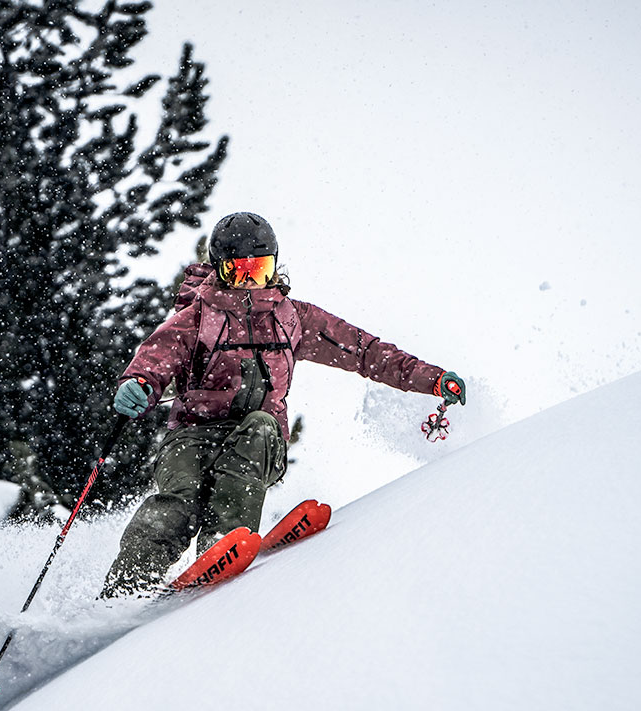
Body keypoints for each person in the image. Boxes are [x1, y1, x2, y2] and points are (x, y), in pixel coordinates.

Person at [99, 211, 465, 598]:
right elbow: (155, 358)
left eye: (258, 270)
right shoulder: (197, 319)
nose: (249, 282)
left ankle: (223, 542)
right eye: (238, 272)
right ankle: (121, 593)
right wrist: (139, 383)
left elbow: (366, 351)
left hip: (259, 442)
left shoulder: (293, 319)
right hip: (192, 434)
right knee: (175, 504)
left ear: (274, 266)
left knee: (258, 426)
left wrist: (431, 377)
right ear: (219, 269)